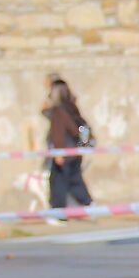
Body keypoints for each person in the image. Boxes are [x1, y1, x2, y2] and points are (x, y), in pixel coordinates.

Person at [41, 77, 93, 208]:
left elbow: (58, 132)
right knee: (74, 179)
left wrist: (58, 152)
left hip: (64, 150)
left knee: (59, 181)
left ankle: (58, 212)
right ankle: (88, 203)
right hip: (75, 150)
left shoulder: (59, 111)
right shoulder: (71, 107)